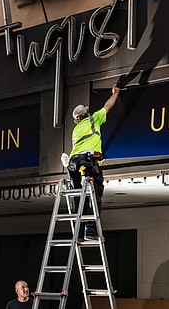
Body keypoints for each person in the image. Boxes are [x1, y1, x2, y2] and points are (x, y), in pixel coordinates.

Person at [67, 84, 120, 241]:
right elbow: (107, 106)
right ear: (87, 114)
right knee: (94, 195)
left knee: (78, 197)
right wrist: (115, 93)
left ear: (76, 119)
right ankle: (90, 232)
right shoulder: (93, 119)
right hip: (88, 161)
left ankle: (78, 232)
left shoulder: (76, 130)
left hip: (73, 163)